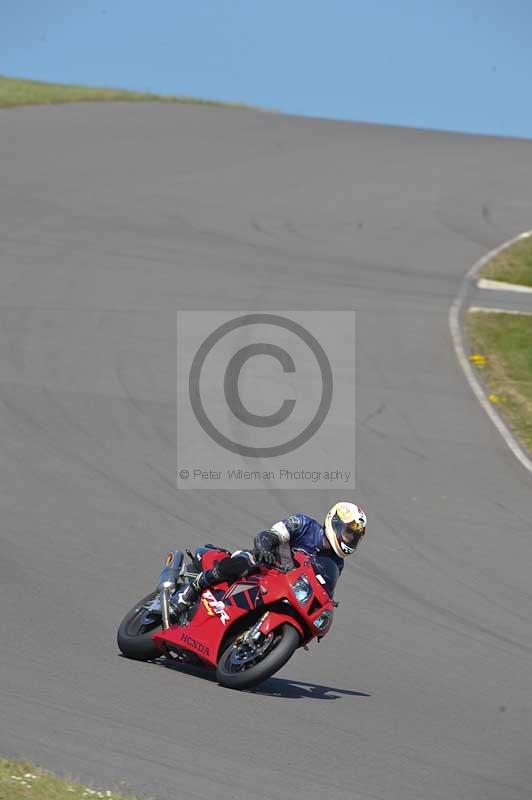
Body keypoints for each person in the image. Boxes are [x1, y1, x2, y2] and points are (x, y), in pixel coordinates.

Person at [171, 501, 367, 614]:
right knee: (246, 562)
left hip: (285, 588)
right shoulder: (305, 524)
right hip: (265, 565)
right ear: (335, 523)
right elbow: (272, 534)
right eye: (349, 533)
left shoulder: (336, 562)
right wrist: (264, 546)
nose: (350, 540)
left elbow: (324, 587)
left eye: (354, 537)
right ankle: (191, 590)